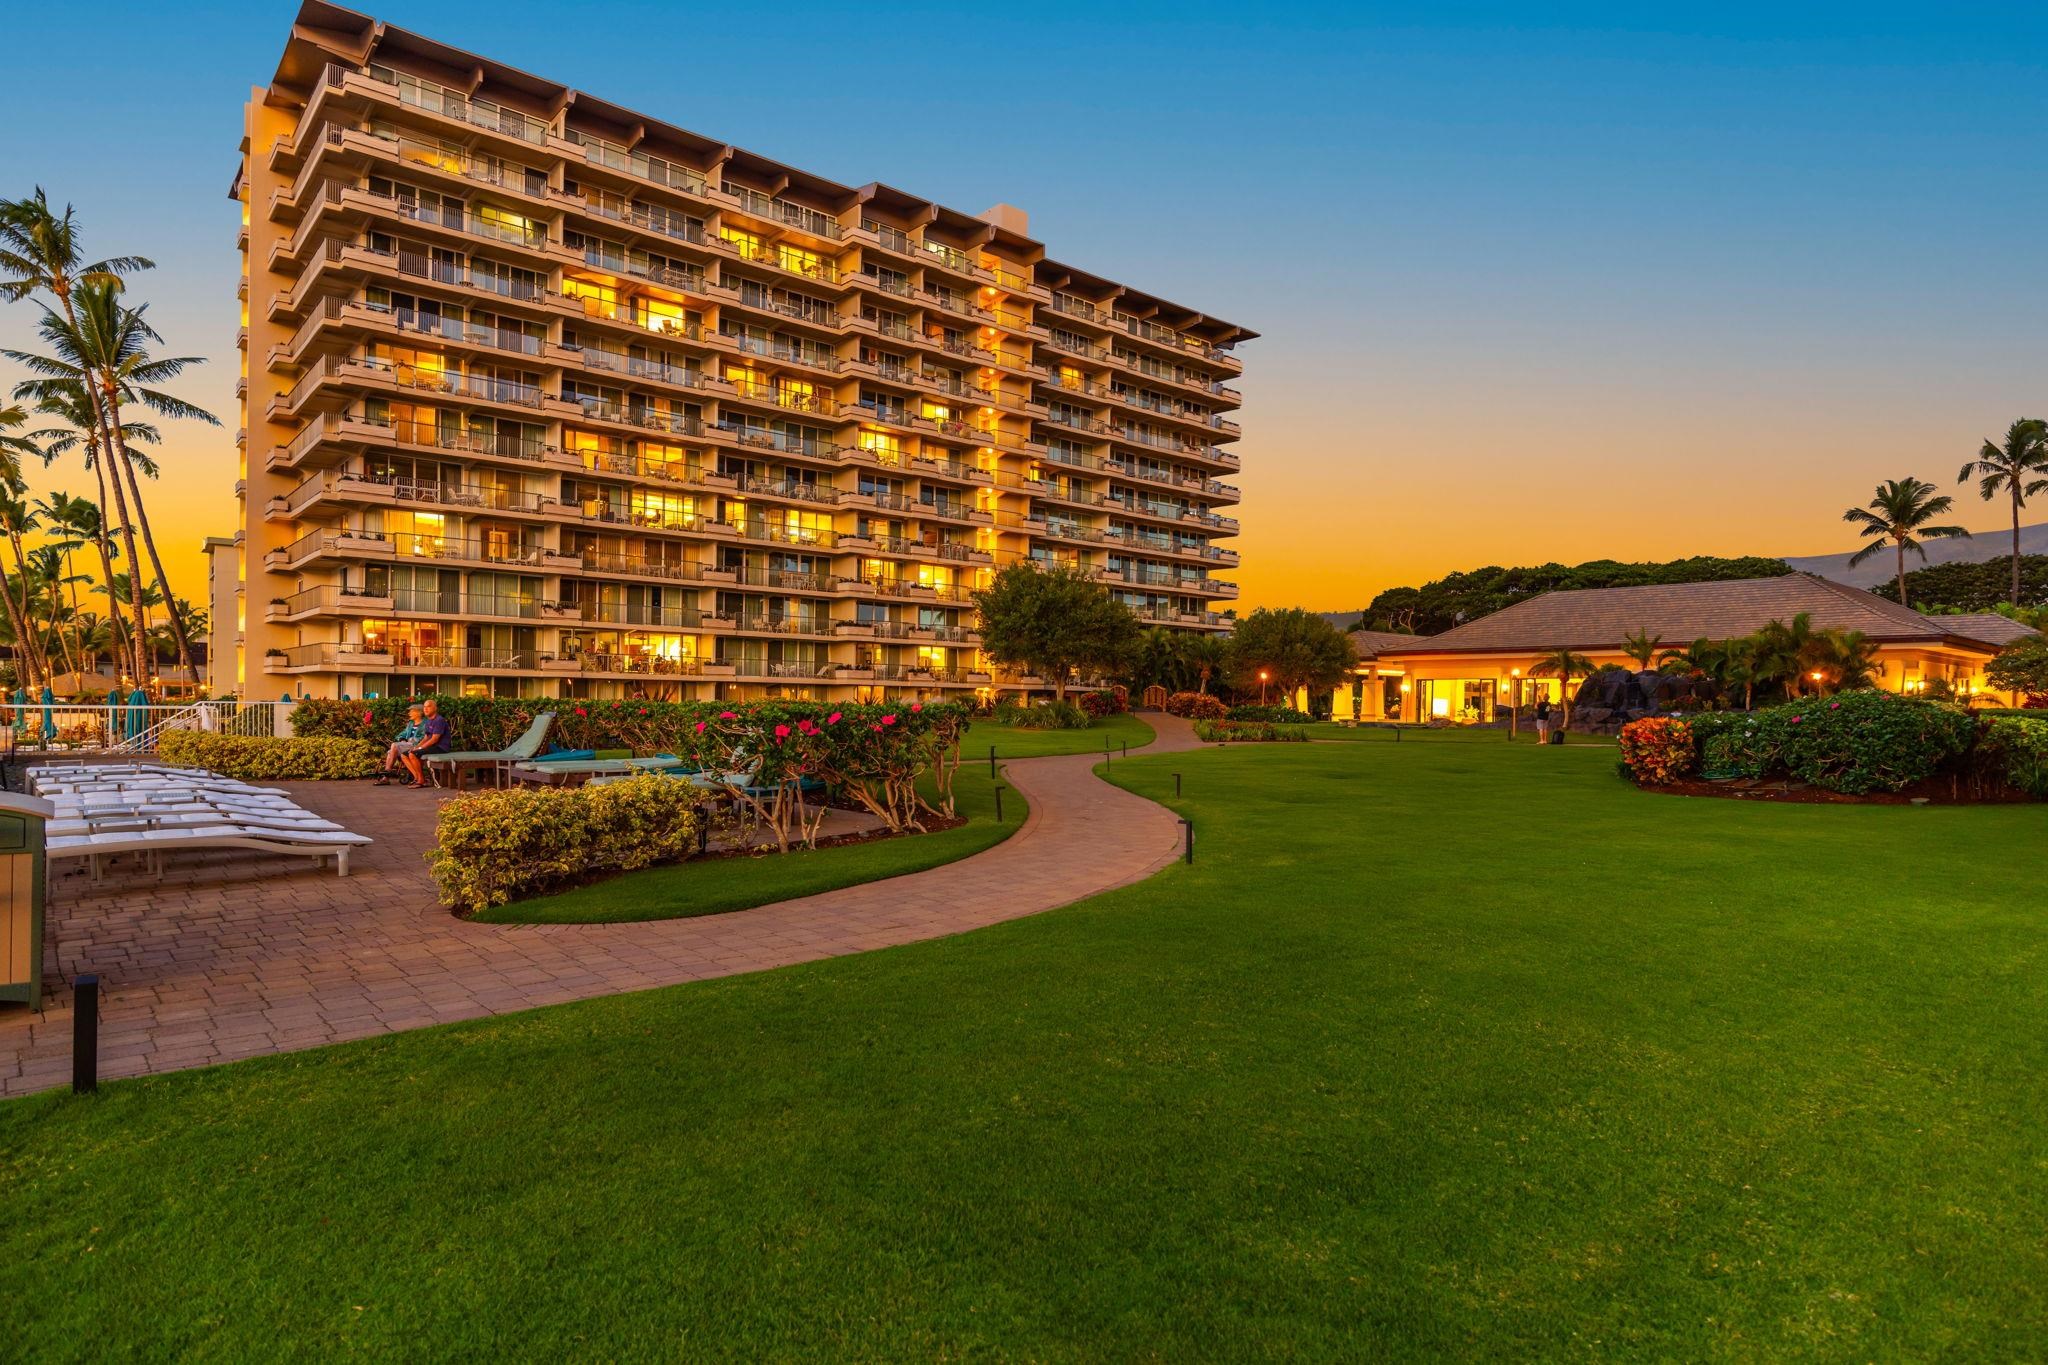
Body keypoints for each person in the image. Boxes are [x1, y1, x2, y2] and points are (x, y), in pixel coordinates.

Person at [400, 699, 452, 790]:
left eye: (429, 706)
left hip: (441, 747)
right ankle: (417, 777)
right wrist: (416, 747)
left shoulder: (439, 720)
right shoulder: (428, 721)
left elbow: (434, 739)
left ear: (435, 708)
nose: (426, 709)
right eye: (424, 707)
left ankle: (421, 781)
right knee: (404, 755)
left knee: (413, 754)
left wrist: (420, 748)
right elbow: (426, 738)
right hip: (432, 746)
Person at [373, 704, 426, 786]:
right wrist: (402, 739)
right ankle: (385, 778)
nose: (409, 713)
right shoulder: (411, 723)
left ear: (419, 713)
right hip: (407, 744)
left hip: (416, 745)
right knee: (391, 752)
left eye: (411, 711)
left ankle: (387, 772)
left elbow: (425, 737)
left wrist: (411, 740)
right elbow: (402, 734)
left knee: (394, 746)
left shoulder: (425, 723)